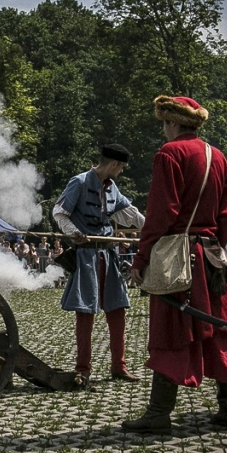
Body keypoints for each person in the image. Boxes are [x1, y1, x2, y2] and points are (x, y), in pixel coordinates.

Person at [125, 96, 227, 433]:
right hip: (210, 257)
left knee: (172, 332)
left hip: (179, 259)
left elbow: (161, 212)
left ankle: (159, 414)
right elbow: (226, 216)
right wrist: (216, 252)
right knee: (218, 330)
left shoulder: (169, 154)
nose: (163, 129)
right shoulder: (218, 157)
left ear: (174, 122)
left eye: (164, 122)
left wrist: (142, 256)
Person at [54, 143, 146, 389]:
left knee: (117, 311)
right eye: (122, 168)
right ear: (114, 164)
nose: (122, 172)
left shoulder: (113, 187)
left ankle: (119, 366)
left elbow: (129, 213)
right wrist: (74, 232)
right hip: (86, 257)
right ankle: (82, 370)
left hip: (109, 256)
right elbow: (59, 212)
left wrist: (151, 227)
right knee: (86, 314)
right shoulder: (80, 182)